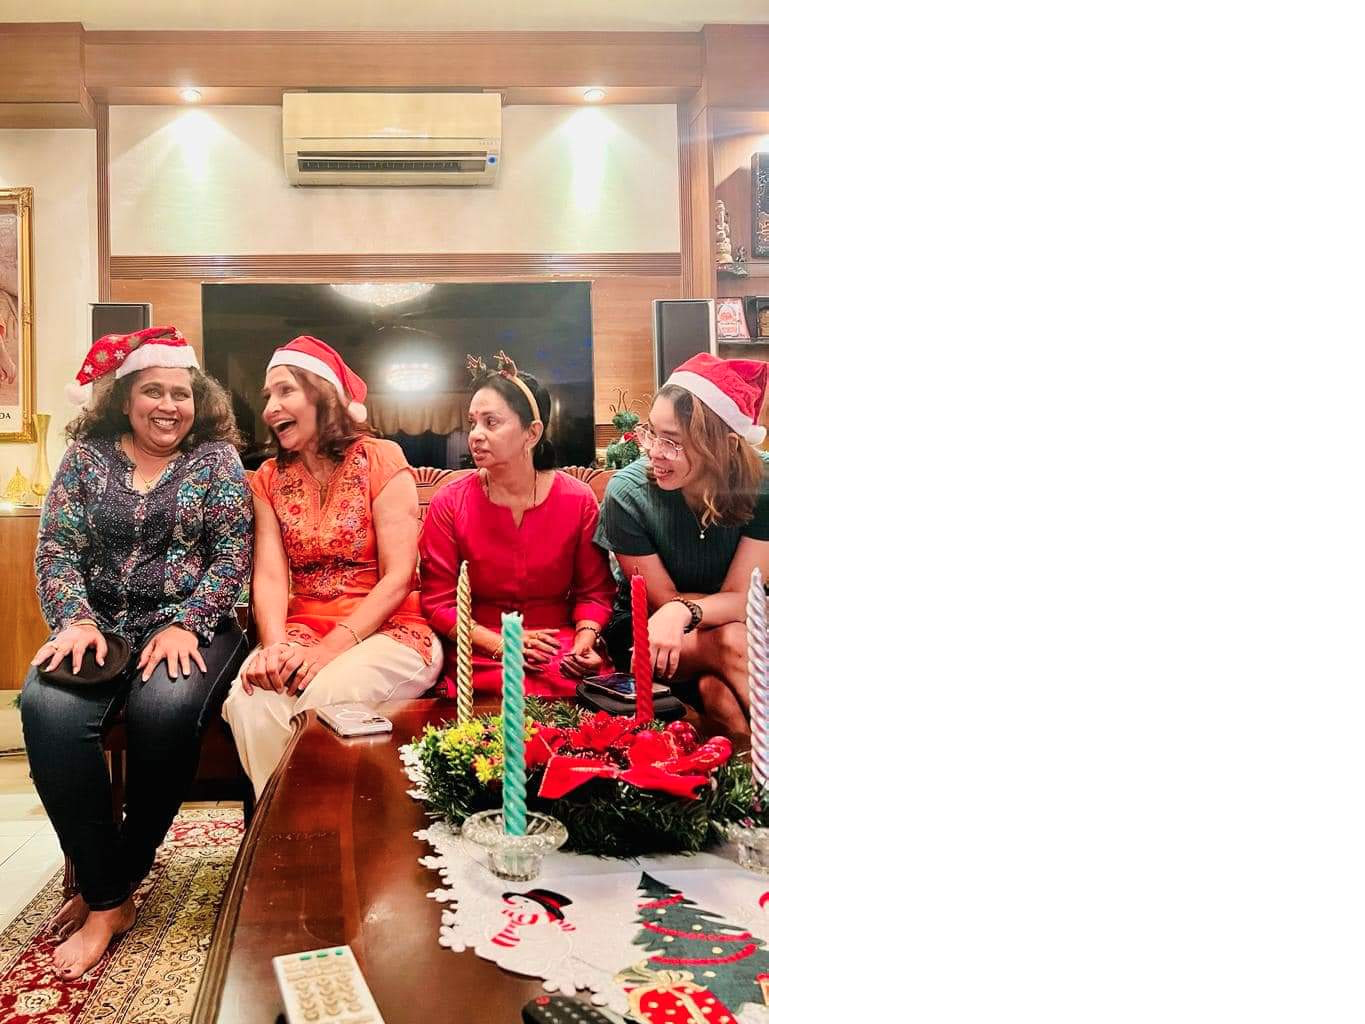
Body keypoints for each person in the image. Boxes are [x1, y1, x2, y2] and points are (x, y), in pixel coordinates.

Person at [20, 326, 252, 979]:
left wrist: (188, 623)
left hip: (193, 626)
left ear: (197, 401)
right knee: (46, 710)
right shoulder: (85, 459)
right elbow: (56, 549)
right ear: (125, 398)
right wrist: (73, 620)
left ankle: (112, 884)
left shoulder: (216, 460)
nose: (169, 405)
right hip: (98, 629)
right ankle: (109, 895)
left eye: (182, 393)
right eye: (154, 391)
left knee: (164, 711)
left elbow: (232, 555)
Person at [221, 336, 439, 796]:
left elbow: (400, 576)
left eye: (285, 391)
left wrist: (327, 651)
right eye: (268, 396)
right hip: (303, 631)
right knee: (252, 698)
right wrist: (274, 648)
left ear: (323, 394)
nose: (270, 409)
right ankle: (291, 827)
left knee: (325, 695)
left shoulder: (381, 458)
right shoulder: (268, 478)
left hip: (393, 631)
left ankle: (316, 829)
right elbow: (270, 575)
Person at [419, 352, 614, 697]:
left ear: (532, 432)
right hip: (480, 645)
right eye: (473, 423)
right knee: (500, 688)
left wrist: (585, 641)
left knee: (572, 682)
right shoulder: (449, 502)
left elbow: (594, 592)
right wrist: (501, 644)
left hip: (555, 643)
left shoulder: (578, 499)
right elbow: (439, 603)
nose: (475, 435)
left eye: (491, 422)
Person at [595, 354, 769, 736]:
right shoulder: (628, 493)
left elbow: (743, 596)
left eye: (672, 442)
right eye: (651, 432)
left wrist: (686, 609)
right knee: (731, 640)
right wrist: (685, 609)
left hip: (734, 629)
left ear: (726, 445)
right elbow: (662, 602)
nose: (654, 452)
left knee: (719, 696)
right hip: (650, 635)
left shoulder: (766, 484)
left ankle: (744, 770)